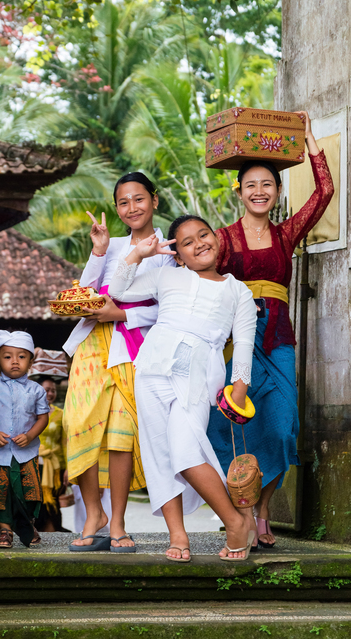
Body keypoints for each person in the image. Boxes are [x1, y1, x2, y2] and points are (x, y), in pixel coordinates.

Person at [207, 111, 334, 548]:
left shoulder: (287, 234)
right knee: (228, 426)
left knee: (280, 428)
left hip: (279, 340)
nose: (259, 191)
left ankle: (263, 511)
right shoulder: (221, 239)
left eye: (267, 184)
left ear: (278, 192)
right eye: (250, 185)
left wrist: (310, 136)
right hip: (234, 343)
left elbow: (325, 192)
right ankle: (240, 511)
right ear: (238, 192)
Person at [109, 216, 257, 561]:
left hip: (200, 371)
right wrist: (138, 254)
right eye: (187, 242)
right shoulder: (166, 274)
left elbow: (245, 344)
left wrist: (239, 390)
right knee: (159, 453)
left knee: (186, 451)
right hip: (152, 367)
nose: (198, 244)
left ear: (217, 239)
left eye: (203, 235)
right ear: (178, 254)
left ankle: (235, 522)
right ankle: (178, 536)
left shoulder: (238, 290)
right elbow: (117, 290)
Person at [63, 172, 176, 552]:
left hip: (136, 347)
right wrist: (98, 251)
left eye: (139, 199)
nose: (132, 208)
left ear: (155, 200)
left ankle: (118, 523)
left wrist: (124, 316)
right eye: (124, 202)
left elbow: (169, 308)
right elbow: (85, 293)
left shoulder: (170, 250)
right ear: (116, 208)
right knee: (77, 422)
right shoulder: (109, 245)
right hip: (94, 344)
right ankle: (93, 513)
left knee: (120, 436)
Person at [0, 329, 50, 548]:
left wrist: (30, 435)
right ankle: (5, 532)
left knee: (27, 492)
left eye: (21, 356)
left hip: (25, 452)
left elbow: (43, 418)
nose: (14, 362)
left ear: (31, 362)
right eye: (7, 357)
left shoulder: (37, 390)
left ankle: (27, 525)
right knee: (1, 493)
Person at [33, 376, 71, 533]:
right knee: (36, 499)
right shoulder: (29, 413)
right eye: (46, 390)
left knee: (53, 500)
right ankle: (37, 531)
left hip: (56, 466)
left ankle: (54, 530)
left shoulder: (61, 414)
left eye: (53, 390)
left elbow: (65, 443)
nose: (50, 394)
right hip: (34, 464)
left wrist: (69, 468)